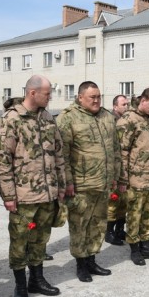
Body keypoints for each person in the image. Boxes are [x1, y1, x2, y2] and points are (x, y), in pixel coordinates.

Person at [0, 75, 67, 297]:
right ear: (32, 93)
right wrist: (8, 196)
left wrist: (61, 185)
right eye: (47, 93)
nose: (50, 97)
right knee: (20, 242)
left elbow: (59, 154)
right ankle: (20, 285)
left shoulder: (47, 117)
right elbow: (2, 161)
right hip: (24, 195)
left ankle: (37, 279)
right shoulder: (11, 119)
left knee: (40, 239)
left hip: (47, 192)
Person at [57, 81, 121, 282]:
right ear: (80, 97)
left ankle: (92, 259)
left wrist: (115, 177)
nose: (96, 100)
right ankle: (81, 264)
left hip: (103, 183)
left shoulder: (107, 117)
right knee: (79, 226)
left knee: (98, 224)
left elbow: (115, 150)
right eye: (92, 97)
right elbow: (62, 155)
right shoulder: (68, 119)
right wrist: (67, 182)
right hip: (81, 185)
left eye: (99, 96)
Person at [117, 88, 149, 265]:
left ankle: (146, 245)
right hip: (135, 179)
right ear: (143, 100)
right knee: (135, 215)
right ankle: (135, 249)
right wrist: (122, 179)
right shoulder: (128, 120)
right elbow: (121, 152)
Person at [106, 94, 130, 244]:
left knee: (124, 201)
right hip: (115, 166)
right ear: (115, 107)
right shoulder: (110, 122)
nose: (127, 107)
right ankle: (109, 232)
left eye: (127, 104)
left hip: (126, 166)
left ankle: (120, 230)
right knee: (113, 202)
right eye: (123, 104)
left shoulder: (127, 122)